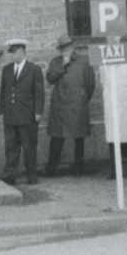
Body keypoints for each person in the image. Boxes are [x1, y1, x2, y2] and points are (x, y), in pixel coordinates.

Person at [43, 34, 97, 177]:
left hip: (78, 105)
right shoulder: (56, 62)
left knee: (79, 138)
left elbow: (90, 84)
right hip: (60, 106)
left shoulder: (83, 61)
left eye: (67, 48)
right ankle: (51, 168)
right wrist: (63, 64)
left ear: (73, 47)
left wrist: (83, 99)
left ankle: (79, 167)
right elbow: (50, 79)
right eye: (62, 49)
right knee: (57, 137)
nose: (65, 51)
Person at [0, 39, 45, 185]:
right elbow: (3, 91)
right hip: (11, 115)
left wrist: (38, 112)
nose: (12, 56)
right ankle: (10, 175)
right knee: (11, 147)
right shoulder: (7, 70)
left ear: (23, 52)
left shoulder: (33, 69)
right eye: (11, 53)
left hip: (27, 116)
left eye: (15, 52)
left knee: (29, 147)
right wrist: (2, 110)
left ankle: (32, 175)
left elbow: (39, 93)